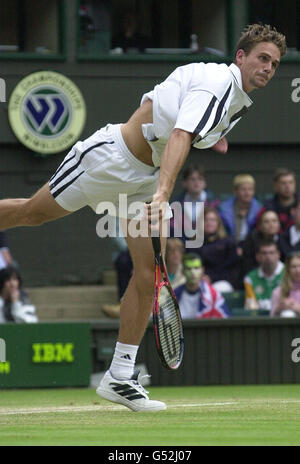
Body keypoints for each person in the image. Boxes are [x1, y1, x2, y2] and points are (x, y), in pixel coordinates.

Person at [0, 24, 286, 412]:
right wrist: (165, 194)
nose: (269, 67)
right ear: (241, 57)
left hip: (141, 180)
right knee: (32, 214)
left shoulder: (235, 99)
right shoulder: (219, 83)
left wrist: (213, 139)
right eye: (262, 58)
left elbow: (182, 120)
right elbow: (182, 134)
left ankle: (119, 375)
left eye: (275, 63)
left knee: (147, 273)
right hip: (110, 161)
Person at [189, 207, 240, 292]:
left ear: (218, 223)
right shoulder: (193, 243)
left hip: (222, 282)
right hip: (199, 281)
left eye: (213, 220)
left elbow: (232, 269)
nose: (209, 223)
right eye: (206, 220)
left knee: (222, 287)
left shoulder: (228, 242)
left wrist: (211, 277)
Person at [169, 164, 219, 242]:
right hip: (182, 243)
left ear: (205, 183)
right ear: (184, 183)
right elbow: (171, 226)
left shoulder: (214, 203)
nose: (196, 182)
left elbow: (219, 227)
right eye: (192, 179)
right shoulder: (176, 204)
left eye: (200, 179)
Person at [174, 253, 231, 319]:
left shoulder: (213, 296)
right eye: (188, 268)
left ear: (202, 270)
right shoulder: (175, 295)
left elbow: (225, 320)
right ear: (183, 271)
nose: (192, 272)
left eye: (196, 268)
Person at [218, 174, 262, 246]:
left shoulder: (260, 209)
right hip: (229, 246)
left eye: (250, 189)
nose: (247, 193)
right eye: (243, 189)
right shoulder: (223, 209)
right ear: (235, 191)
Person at [244, 240, 284, 312]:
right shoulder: (250, 278)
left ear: (278, 254)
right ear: (257, 256)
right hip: (259, 318)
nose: (268, 256)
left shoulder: (289, 273)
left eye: (271, 253)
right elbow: (251, 305)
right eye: (264, 253)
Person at [241, 209, 281, 275]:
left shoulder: (284, 240)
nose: (271, 224)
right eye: (266, 222)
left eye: (274, 221)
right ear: (260, 226)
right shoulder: (251, 240)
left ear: (279, 224)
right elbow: (247, 264)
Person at [259, 168, 299, 232]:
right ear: (275, 186)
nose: (287, 186)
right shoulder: (268, 207)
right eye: (283, 183)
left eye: (291, 182)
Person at [271, 252, 300, 317]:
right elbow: (271, 317)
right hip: (285, 325)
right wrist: (280, 308)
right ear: (287, 269)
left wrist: (297, 308)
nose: (297, 270)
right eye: (293, 267)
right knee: (287, 314)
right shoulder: (278, 291)